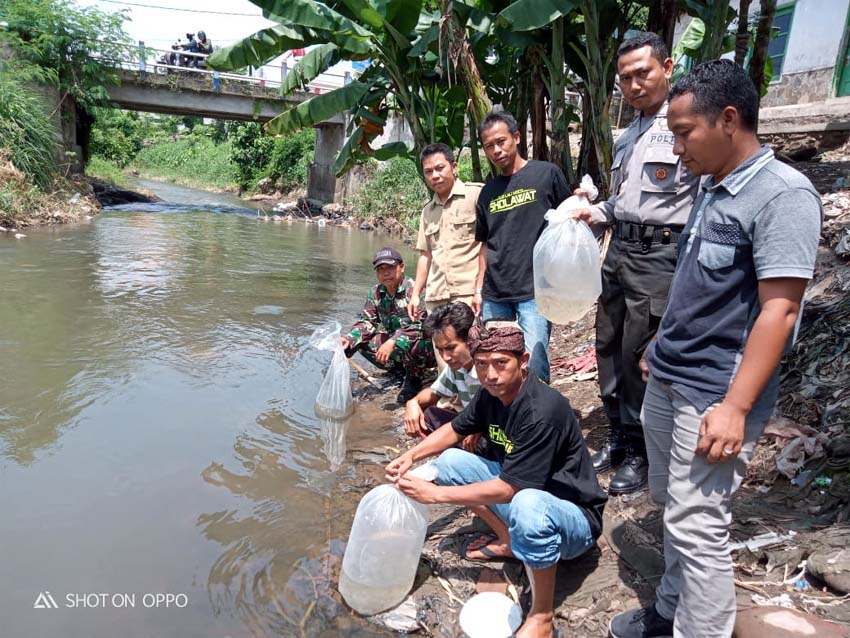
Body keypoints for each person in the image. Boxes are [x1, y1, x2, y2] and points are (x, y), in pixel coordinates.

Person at [609, 60, 822, 638]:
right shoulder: (711, 186)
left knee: (699, 523)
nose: (676, 149)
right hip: (671, 373)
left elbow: (779, 310)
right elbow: (693, 279)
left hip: (714, 390)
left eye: (683, 132)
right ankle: (671, 609)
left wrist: (735, 406)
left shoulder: (782, 196)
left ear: (729, 120)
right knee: (671, 503)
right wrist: (659, 340)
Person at [387, 321, 607, 638]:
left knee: (527, 504)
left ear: (524, 360)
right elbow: (456, 429)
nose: (491, 375)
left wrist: (434, 496)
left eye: (501, 363)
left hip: (572, 519)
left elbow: (510, 489)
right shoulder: (491, 393)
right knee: (449, 461)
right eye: (482, 364)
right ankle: (509, 540)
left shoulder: (541, 410)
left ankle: (542, 616)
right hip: (523, 497)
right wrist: (412, 455)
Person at [572, 32, 701, 495]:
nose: (633, 84)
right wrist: (592, 211)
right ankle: (619, 440)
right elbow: (624, 203)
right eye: (625, 78)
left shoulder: (688, 126)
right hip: (620, 251)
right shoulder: (629, 135)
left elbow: (699, 201)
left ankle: (643, 452)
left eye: (642, 73)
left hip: (660, 256)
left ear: (667, 68)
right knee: (607, 345)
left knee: (637, 354)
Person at [474, 111, 570, 384]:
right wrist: (479, 287)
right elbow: (485, 243)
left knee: (535, 358)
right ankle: (507, 420)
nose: (497, 150)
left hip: (535, 289)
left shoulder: (545, 174)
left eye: (501, 141)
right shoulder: (488, 192)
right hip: (495, 293)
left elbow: (568, 220)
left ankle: (539, 419)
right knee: (498, 361)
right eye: (489, 146)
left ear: (516, 137)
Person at [409, 143, 482, 370]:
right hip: (437, 295)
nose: (435, 175)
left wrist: (481, 288)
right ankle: (449, 404)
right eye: (429, 172)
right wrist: (416, 294)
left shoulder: (476, 195)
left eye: (440, 168)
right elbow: (425, 255)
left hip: (468, 292)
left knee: (474, 353)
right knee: (445, 362)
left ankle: (477, 404)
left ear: (454, 166)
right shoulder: (427, 211)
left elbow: (490, 243)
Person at [342, 247, 436, 403]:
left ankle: (414, 379)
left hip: (423, 349)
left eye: (390, 267)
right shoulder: (376, 293)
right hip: (397, 346)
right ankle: (398, 371)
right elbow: (368, 322)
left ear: (401, 267)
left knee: (415, 344)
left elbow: (422, 326)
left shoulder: (415, 291)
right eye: (380, 269)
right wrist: (349, 339)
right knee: (360, 341)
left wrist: (393, 341)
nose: (385, 273)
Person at [402, 302, 485, 454]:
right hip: (472, 425)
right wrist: (413, 403)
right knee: (427, 415)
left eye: (451, 348)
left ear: (470, 339)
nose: (445, 357)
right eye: (440, 350)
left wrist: (480, 427)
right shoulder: (457, 367)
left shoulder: (488, 367)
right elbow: (434, 393)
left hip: (495, 432)